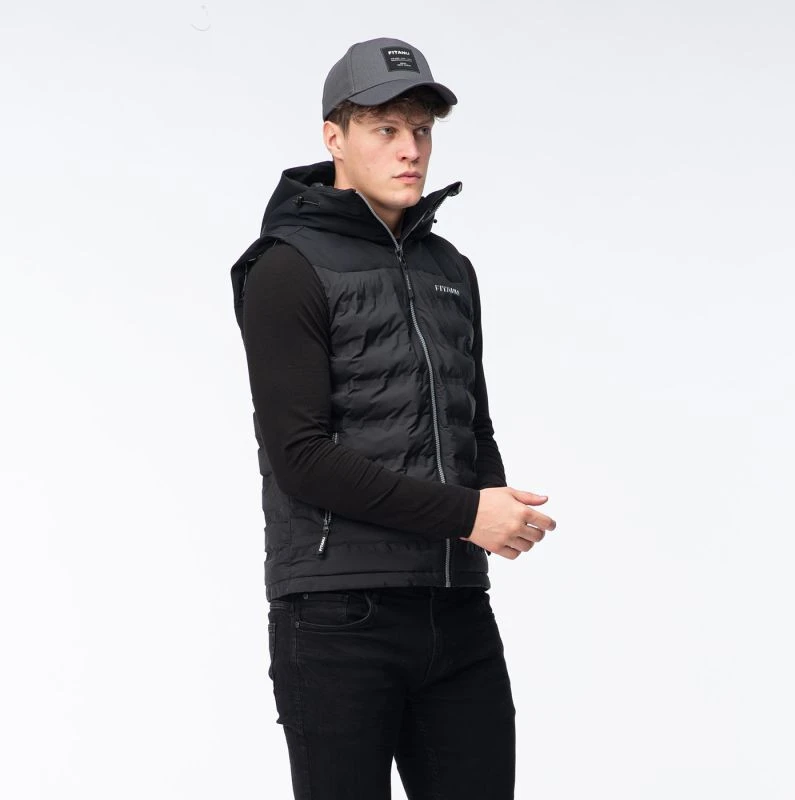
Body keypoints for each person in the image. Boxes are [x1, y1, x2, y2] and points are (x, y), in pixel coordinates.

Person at [229, 36, 557, 800]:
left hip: (456, 607)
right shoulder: (285, 267)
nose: (410, 149)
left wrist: (498, 508)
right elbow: (301, 457)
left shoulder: (450, 269)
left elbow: (473, 424)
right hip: (337, 615)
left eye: (421, 129)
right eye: (385, 128)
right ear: (334, 137)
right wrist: (468, 515)